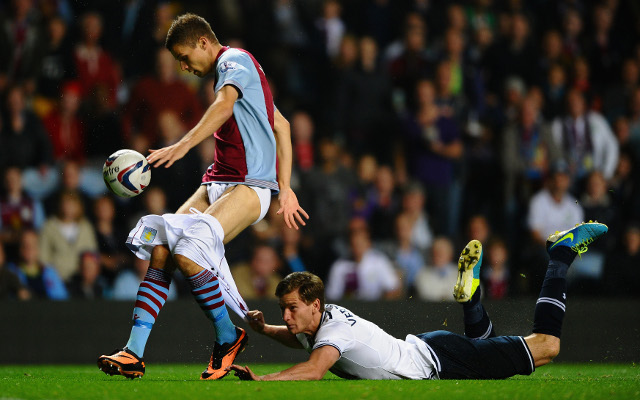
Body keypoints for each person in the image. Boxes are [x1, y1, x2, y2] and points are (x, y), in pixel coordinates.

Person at [97, 13, 308, 381]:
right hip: (216, 182)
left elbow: (225, 106)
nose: (182, 66)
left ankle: (228, 336)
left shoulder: (233, 61)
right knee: (163, 246)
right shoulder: (238, 74)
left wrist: (182, 144)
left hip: (249, 186)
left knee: (189, 250)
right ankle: (133, 352)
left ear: (203, 43)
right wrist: (287, 186)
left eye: (184, 56)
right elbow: (282, 126)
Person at [227, 221, 607, 381]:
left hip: (437, 359)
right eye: (283, 310)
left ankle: (560, 256)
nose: (287, 316)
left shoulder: (334, 333)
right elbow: (300, 337)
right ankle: (471, 298)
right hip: (433, 349)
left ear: (314, 303)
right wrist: (266, 329)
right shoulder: (319, 321)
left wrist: (265, 378)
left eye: (291, 308)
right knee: (484, 349)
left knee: (548, 346)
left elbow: (313, 368)